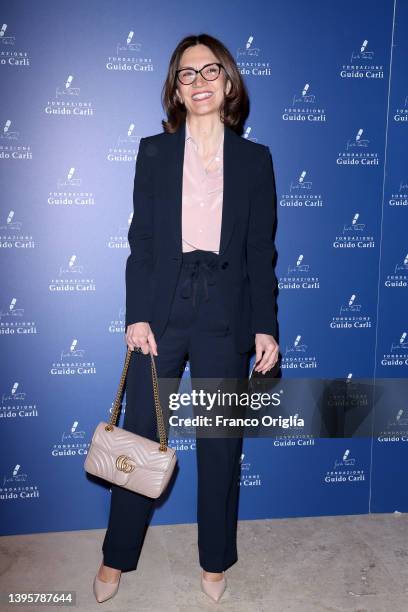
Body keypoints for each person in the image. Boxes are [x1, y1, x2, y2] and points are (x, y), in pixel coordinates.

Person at [93, 32, 279, 604]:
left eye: (210, 71)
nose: (199, 82)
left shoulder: (254, 159)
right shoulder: (154, 152)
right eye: (187, 74)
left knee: (221, 442)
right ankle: (116, 558)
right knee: (141, 435)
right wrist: (138, 315)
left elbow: (259, 251)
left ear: (229, 82)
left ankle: (216, 559)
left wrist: (265, 324)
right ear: (176, 89)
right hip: (165, 312)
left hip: (226, 310)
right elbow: (142, 242)